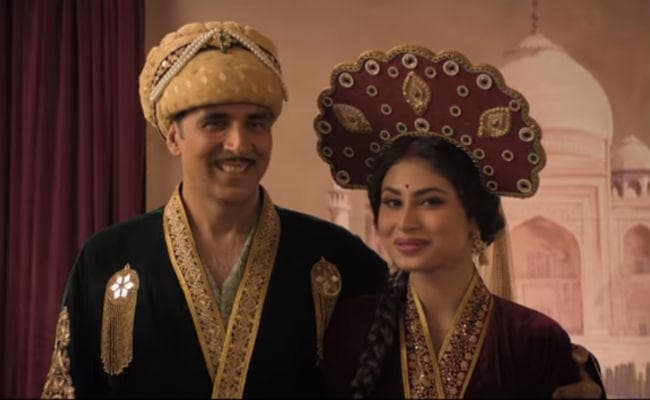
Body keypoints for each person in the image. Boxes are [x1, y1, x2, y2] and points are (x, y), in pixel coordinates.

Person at [40, 20, 387, 398]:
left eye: (256, 123)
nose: (239, 144)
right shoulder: (105, 260)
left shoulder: (342, 260)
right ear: (174, 137)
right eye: (216, 122)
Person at [313, 46, 606, 398]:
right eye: (392, 202)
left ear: (474, 217)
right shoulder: (349, 330)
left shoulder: (534, 340)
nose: (405, 222)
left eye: (430, 201)